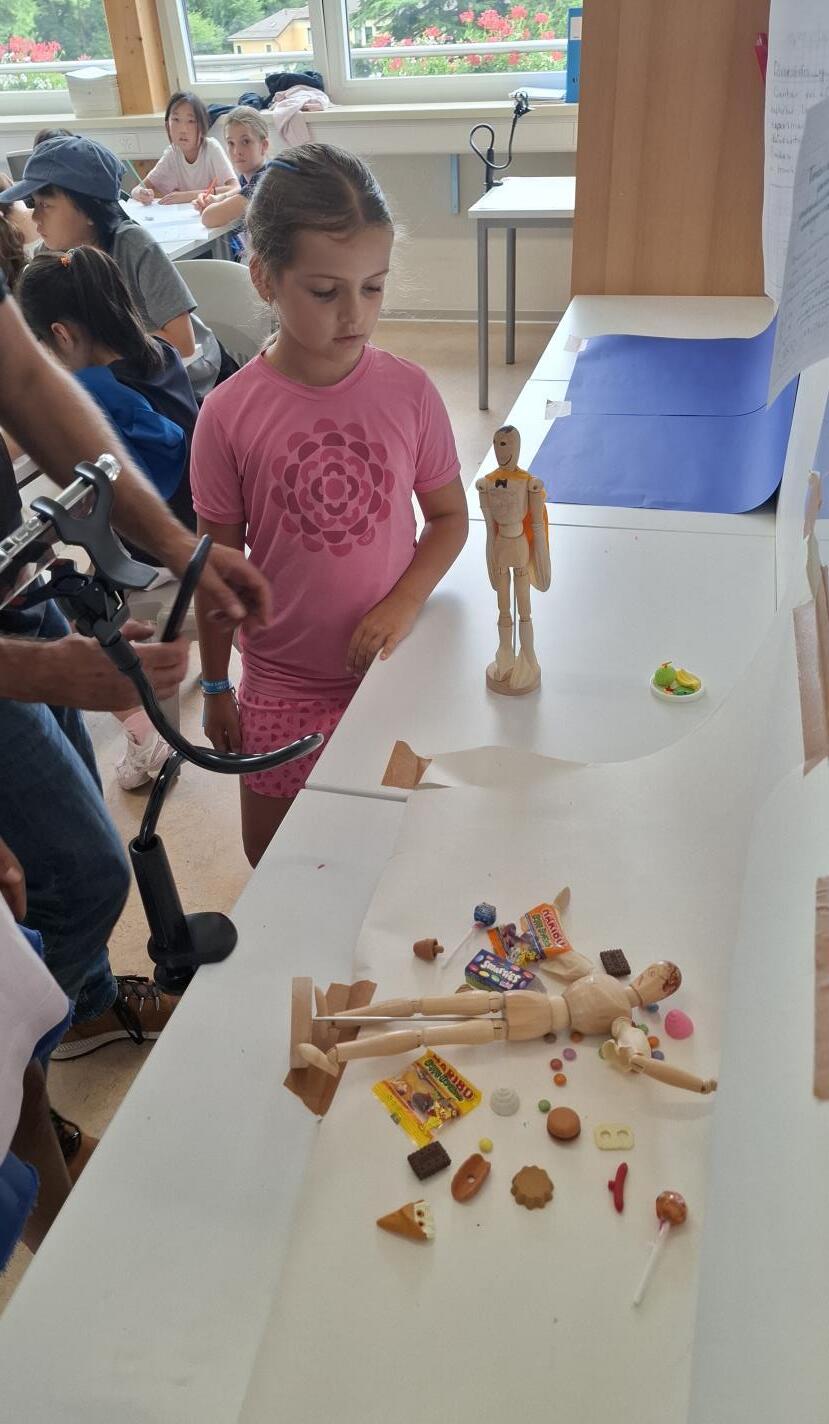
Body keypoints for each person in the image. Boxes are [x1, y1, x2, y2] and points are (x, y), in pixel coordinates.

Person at [0, 270, 271, 1082]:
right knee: (84, 878)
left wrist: (180, 546)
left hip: (13, 585)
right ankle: (22, 1092)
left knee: (57, 847)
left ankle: (79, 1011)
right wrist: (31, 670)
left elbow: (24, 378)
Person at [191, 144, 469, 867]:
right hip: (282, 681)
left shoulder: (409, 392)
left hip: (391, 668)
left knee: (393, 850)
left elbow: (449, 518)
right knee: (273, 857)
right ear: (264, 277)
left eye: (372, 288)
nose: (355, 315)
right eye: (325, 292)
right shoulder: (227, 414)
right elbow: (215, 567)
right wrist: (217, 685)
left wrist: (403, 601)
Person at [17, 245, 200, 788]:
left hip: (149, 549)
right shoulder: (160, 351)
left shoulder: (88, 390)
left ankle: (146, 740)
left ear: (61, 334)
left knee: (74, 611)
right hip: (196, 523)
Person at [0, 135, 232, 399]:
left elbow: (183, 343)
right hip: (121, 383)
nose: (36, 217)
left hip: (191, 383)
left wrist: (97, 349)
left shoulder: (132, 245)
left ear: (89, 210)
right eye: (34, 204)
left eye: (46, 205)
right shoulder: (50, 257)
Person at [132, 91, 237, 207]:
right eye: (176, 120)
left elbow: (235, 188)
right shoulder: (173, 153)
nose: (183, 130)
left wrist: (187, 196)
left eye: (191, 121)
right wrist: (141, 193)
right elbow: (138, 189)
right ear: (167, 125)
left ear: (202, 126)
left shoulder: (211, 148)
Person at [194, 106, 270, 232]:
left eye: (245, 142)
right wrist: (217, 199)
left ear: (263, 146)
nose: (236, 151)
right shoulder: (249, 177)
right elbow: (240, 191)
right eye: (231, 143)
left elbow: (208, 218)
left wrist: (214, 205)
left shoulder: (264, 181)